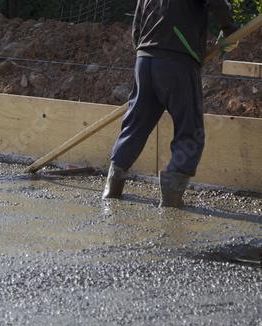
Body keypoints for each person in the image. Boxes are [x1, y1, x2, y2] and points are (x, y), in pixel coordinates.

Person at [102, 0, 238, 208]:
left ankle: (112, 189)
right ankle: (171, 199)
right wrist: (229, 30)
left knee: (135, 124)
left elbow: (137, 27)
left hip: (144, 60)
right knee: (189, 130)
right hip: (178, 61)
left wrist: (146, 54)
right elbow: (218, 2)